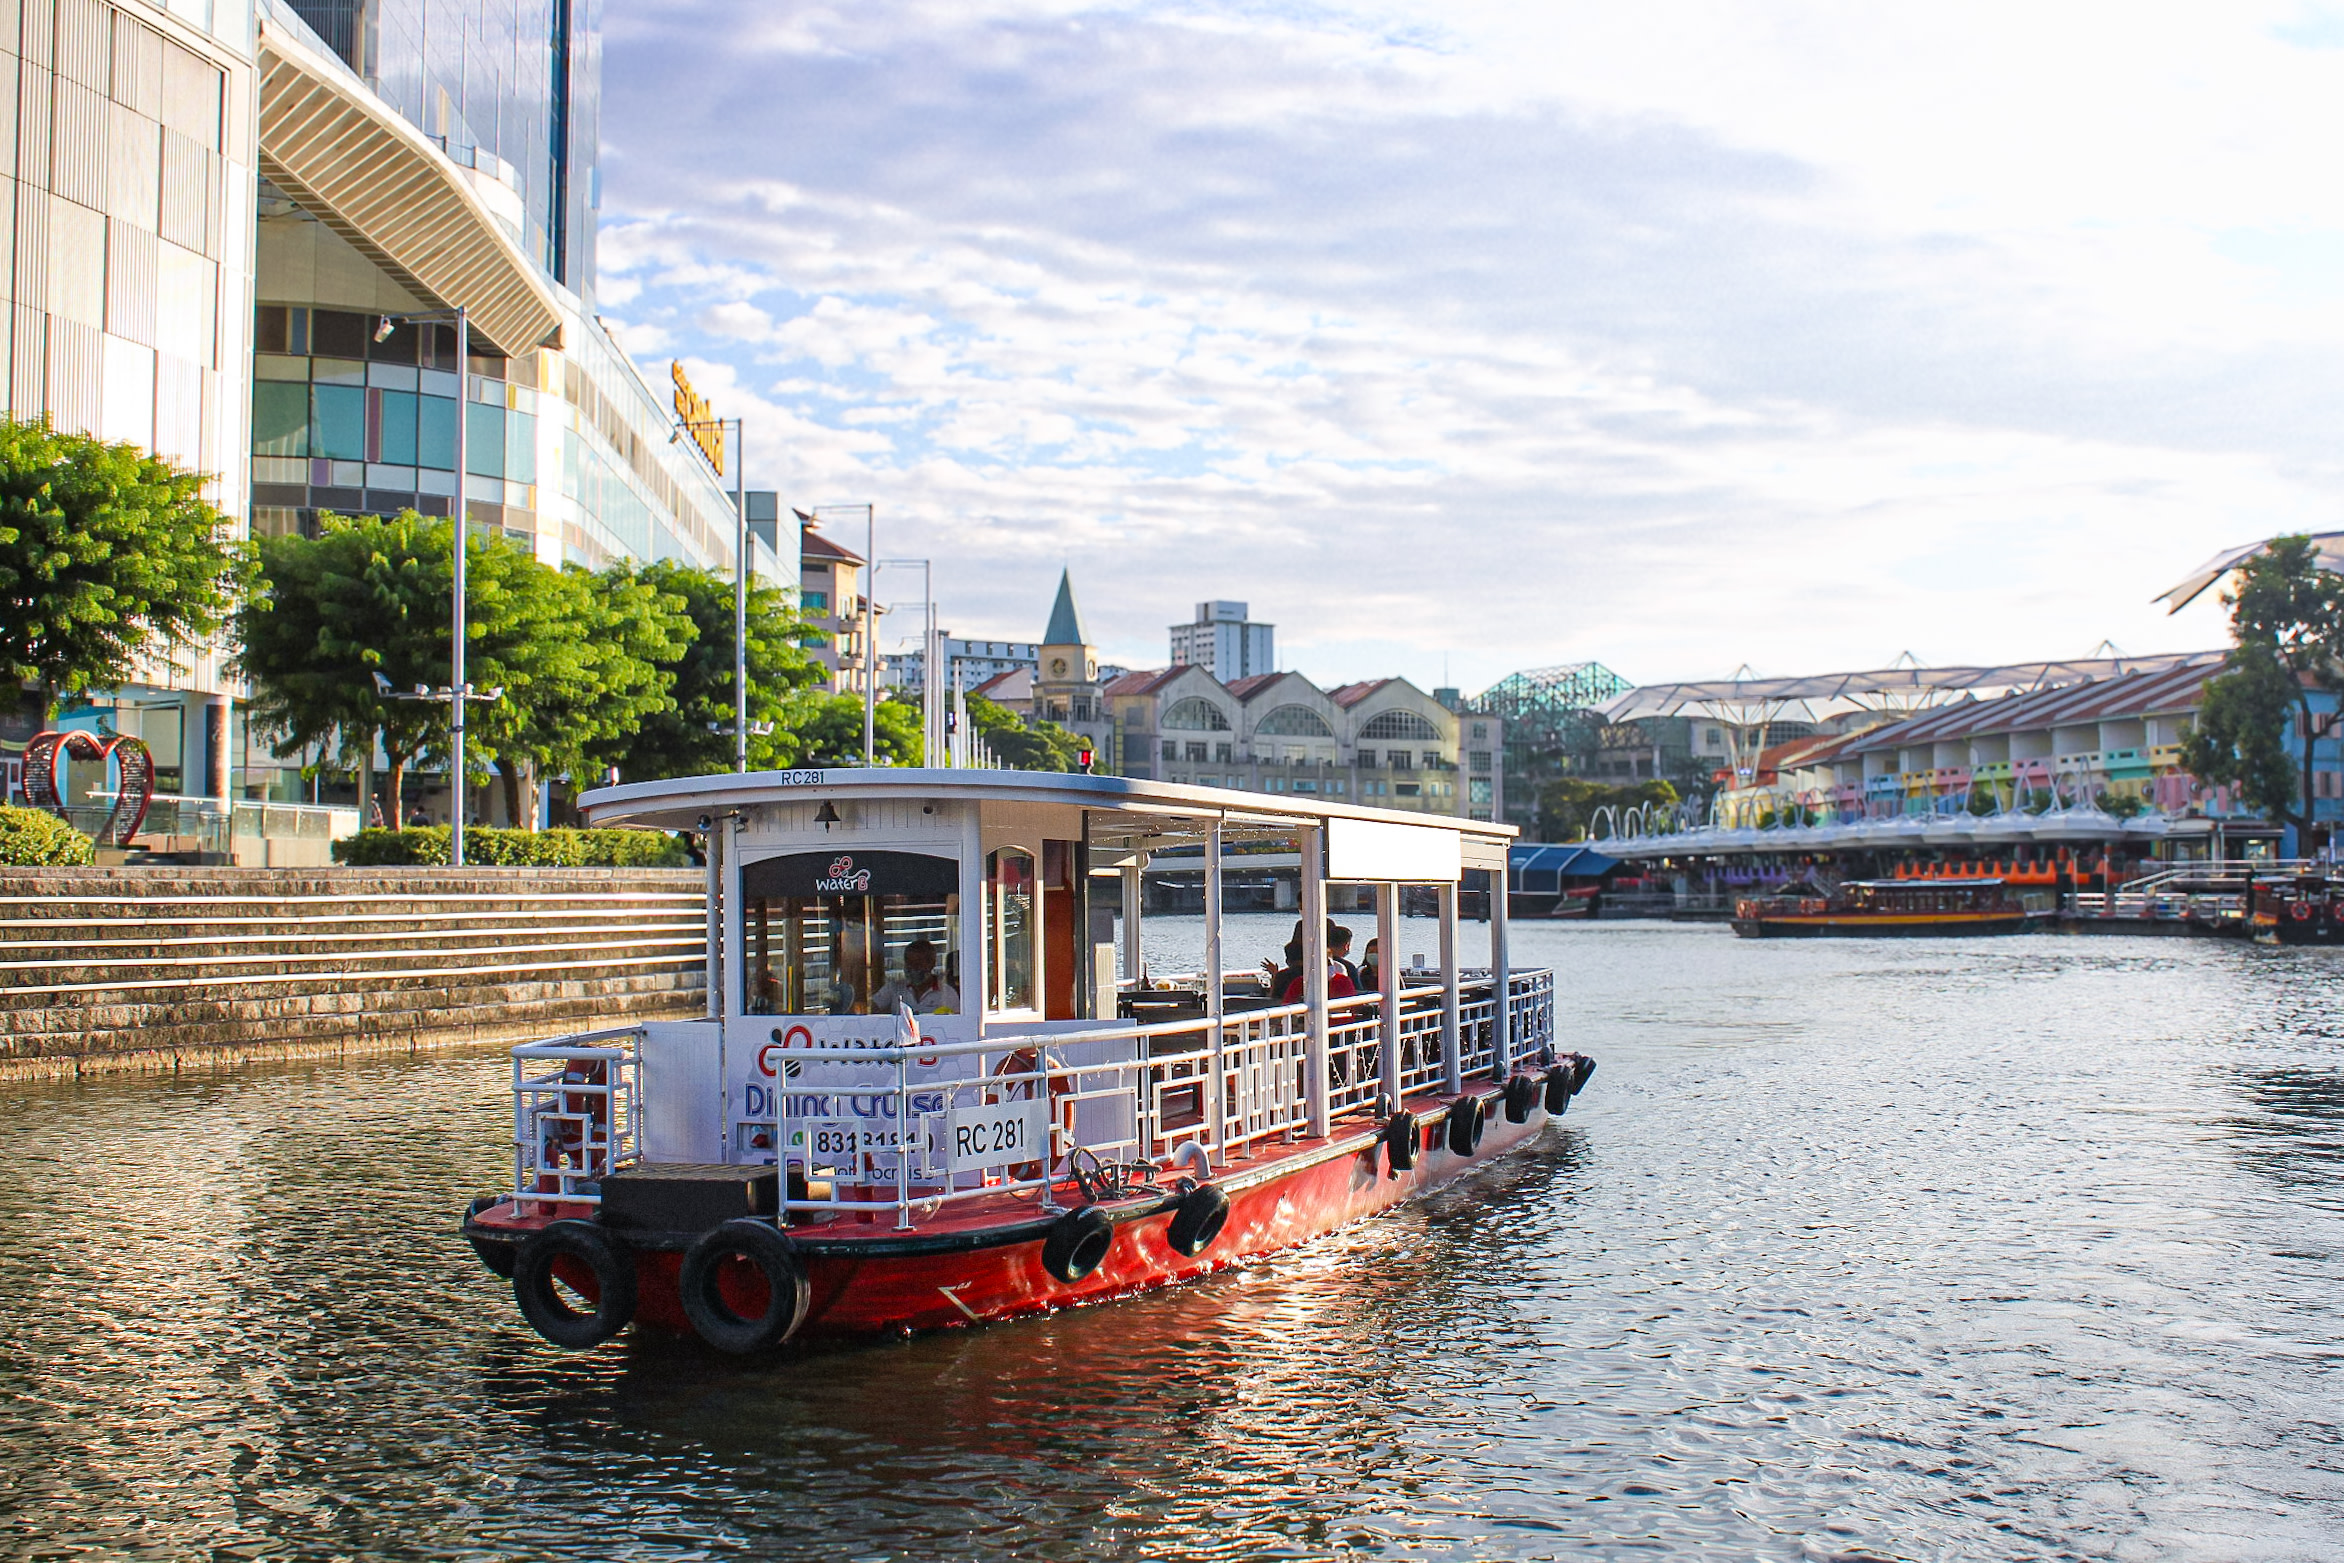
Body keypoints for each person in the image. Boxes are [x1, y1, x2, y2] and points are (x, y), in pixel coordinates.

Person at [871, 938, 960, 1015]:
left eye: (918, 964)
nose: (913, 968)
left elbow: (956, 1022)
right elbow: (870, 1009)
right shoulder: (894, 988)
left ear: (932, 964)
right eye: (909, 963)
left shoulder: (947, 994)